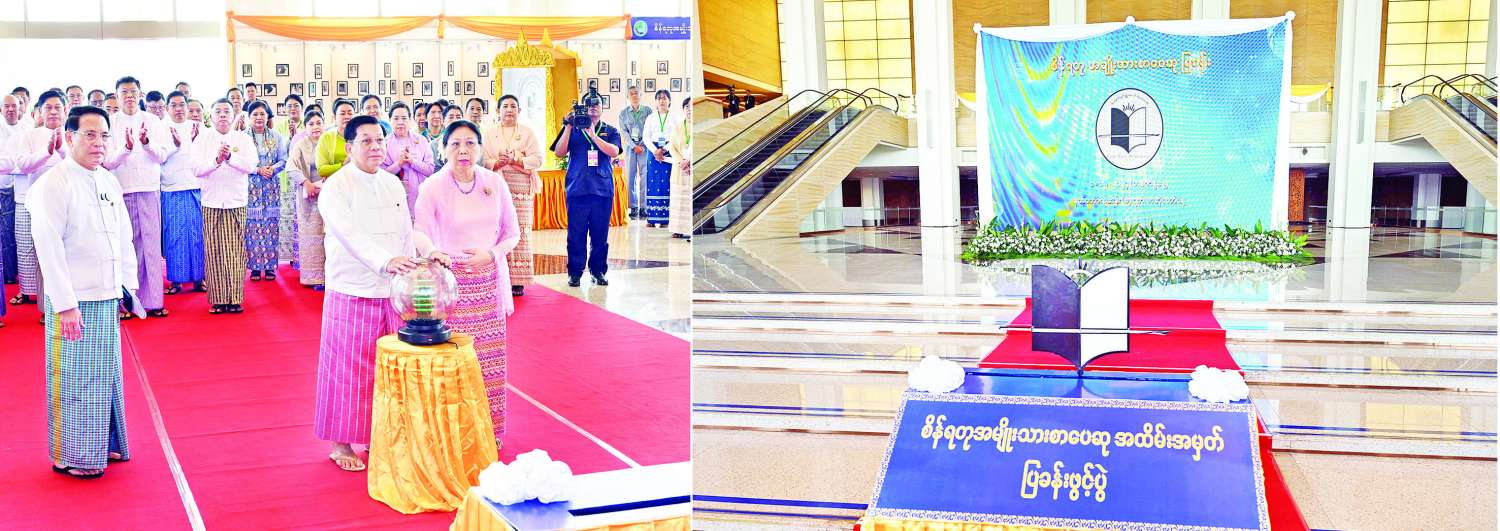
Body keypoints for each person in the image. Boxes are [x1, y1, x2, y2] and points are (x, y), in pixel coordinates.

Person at [28, 105, 136, 479]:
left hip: (106, 293)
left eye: (104, 135)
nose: (98, 143)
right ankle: (72, 455)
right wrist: (65, 305)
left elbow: (123, 236)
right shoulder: (54, 183)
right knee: (74, 378)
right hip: (75, 300)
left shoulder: (108, 180)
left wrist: (127, 286)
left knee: (106, 374)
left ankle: (105, 444)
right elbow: (48, 247)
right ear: (69, 137)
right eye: (89, 135)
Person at [315, 114, 427, 472]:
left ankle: (379, 434)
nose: (376, 147)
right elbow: (349, 234)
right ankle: (341, 444)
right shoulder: (336, 187)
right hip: (352, 287)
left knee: (390, 366)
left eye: (380, 140)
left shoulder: (392, 183)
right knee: (349, 369)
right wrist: (385, 261)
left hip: (392, 288)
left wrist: (415, 264)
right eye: (366, 141)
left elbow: (405, 231)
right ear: (349, 147)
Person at [414, 119, 519, 443]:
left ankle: (488, 430)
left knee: (487, 360)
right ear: (443, 148)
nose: (463, 150)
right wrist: (433, 252)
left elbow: (512, 233)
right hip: (450, 286)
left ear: (480, 148)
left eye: (470, 143)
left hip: (488, 282)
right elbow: (418, 231)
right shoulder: (433, 186)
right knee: (452, 358)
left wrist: (492, 254)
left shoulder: (494, 182)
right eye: (455, 144)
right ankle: (451, 430)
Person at [103, 76, 171, 319]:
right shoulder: (109, 122)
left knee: (151, 247)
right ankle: (127, 303)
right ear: (117, 96)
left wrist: (146, 143)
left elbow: (163, 155)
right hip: (122, 191)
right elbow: (107, 161)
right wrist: (127, 148)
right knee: (126, 247)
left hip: (149, 188)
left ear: (140, 94)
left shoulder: (153, 121)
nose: (129, 96)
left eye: (133, 91)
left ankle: (154, 301)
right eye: (124, 92)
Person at [191, 98, 257, 315]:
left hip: (236, 201)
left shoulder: (243, 139)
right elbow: (196, 169)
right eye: (217, 111)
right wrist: (217, 160)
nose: (222, 115)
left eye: (226, 111)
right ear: (210, 116)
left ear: (233, 114)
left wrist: (230, 157)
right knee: (214, 251)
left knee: (236, 251)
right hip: (211, 202)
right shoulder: (202, 139)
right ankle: (218, 300)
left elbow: (251, 166)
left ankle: (235, 298)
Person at [550, 90, 620, 287]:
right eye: (589, 105)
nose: (593, 108)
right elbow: (559, 152)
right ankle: (575, 272)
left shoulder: (610, 130)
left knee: (600, 235)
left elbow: (614, 152)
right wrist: (568, 126)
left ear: (602, 108)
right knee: (576, 234)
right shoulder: (573, 128)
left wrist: (594, 137)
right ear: (582, 108)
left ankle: (598, 271)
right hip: (577, 188)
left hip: (602, 189)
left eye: (597, 104)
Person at [10, 90, 68, 307]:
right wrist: (47, 151)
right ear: (40, 112)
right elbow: (24, 165)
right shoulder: (29, 136)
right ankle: (47, 307)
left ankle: (69, 303)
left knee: (65, 253)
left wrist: (61, 150)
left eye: (57, 107)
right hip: (37, 203)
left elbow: (77, 162)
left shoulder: (72, 133)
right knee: (41, 252)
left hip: (66, 202)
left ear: (65, 110)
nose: (53, 112)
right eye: (48, 108)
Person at [484, 95, 542, 296]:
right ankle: (498, 276)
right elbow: (482, 160)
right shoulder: (489, 133)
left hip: (521, 187)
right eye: (505, 106)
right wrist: (496, 163)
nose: (509, 110)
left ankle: (518, 280)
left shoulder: (527, 132)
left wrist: (516, 158)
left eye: (513, 106)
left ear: (519, 111)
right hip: (496, 185)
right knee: (498, 229)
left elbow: (538, 160)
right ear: (498, 111)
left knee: (520, 230)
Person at [160, 91, 206, 295]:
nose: (178, 109)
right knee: (175, 236)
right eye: (174, 105)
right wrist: (176, 145)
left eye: (182, 105)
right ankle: (176, 281)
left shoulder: (199, 128)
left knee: (197, 235)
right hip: (171, 188)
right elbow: (158, 157)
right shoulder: (160, 128)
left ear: (187, 107)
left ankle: (199, 279)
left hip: (195, 186)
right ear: (167, 108)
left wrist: (194, 142)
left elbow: (206, 155)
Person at [244, 100, 288, 281]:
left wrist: (272, 169)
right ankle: (255, 267)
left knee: (271, 225)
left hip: (271, 186)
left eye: (262, 114)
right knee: (252, 227)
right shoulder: (243, 137)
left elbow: (283, 159)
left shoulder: (277, 136)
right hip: (251, 186)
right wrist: (258, 169)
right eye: (255, 114)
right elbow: (240, 162)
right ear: (249, 117)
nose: (259, 117)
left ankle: (270, 267)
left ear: (267, 116)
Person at [286, 110, 327, 289]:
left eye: (319, 123)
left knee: (329, 235)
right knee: (312, 236)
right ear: (305, 127)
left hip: (329, 194)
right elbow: (290, 167)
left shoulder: (330, 142)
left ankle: (330, 277)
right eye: (311, 124)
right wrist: (305, 182)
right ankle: (313, 278)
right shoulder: (300, 145)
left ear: (324, 124)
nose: (315, 127)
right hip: (308, 197)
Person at [382, 102, 434, 215]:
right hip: (393, 198)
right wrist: (399, 164)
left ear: (410, 120)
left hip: (420, 197)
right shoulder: (384, 144)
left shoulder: (422, 140)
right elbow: (381, 175)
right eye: (396, 118)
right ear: (390, 120)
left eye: (404, 118)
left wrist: (412, 161)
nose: (400, 122)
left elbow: (430, 170)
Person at [275, 94, 306, 263]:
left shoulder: (307, 124)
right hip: (286, 177)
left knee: (301, 213)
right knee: (287, 215)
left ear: (301, 108)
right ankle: (289, 255)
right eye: (289, 106)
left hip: (303, 174)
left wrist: (297, 135)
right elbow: (280, 152)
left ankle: (302, 254)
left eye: (296, 105)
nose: (293, 109)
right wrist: (290, 138)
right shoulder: (280, 127)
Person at [618, 87, 652, 220]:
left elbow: (650, 129)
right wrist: (634, 146)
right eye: (631, 94)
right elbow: (624, 133)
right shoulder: (623, 114)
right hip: (630, 148)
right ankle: (633, 206)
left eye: (636, 93)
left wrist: (642, 144)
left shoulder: (648, 111)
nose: (634, 95)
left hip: (645, 147)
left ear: (640, 95)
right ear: (628, 97)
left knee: (645, 176)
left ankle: (644, 207)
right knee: (630, 176)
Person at [641, 89, 673, 228]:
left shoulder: (675, 117)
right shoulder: (650, 118)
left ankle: (666, 219)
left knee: (667, 183)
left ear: (669, 101)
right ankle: (652, 219)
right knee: (652, 182)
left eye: (664, 98)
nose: (662, 101)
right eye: (659, 98)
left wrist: (664, 149)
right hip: (652, 152)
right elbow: (645, 137)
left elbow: (676, 137)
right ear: (656, 101)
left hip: (669, 152)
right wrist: (655, 151)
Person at [1, 94, 24, 285]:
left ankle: (16, 273)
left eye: (14, 106)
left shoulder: (28, 129)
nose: (10, 109)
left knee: (17, 235)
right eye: (6, 106)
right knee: (5, 233)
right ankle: (8, 274)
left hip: (22, 189)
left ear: (20, 107)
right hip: (4, 187)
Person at [667, 97, 693, 239]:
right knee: (678, 200)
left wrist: (690, 161)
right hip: (679, 168)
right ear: (683, 109)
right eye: (687, 107)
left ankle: (691, 228)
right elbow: (672, 148)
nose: (690, 109)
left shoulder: (698, 125)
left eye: (692, 107)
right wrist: (681, 161)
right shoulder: (677, 127)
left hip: (692, 167)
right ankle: (677, 229)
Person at [316, 99, 356, 178]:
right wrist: (342, 165)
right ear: (334, 117)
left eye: (350, 113)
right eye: (342, 113)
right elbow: (321, 170)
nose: (347, 116)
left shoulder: (361, 136)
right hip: (335, 181)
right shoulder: (326, 137)